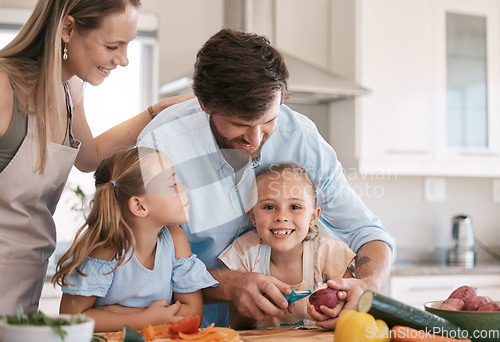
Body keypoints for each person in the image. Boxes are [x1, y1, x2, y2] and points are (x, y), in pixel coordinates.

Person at [138, 28, 392, 329]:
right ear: (205, 106)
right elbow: (142, 268)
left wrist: (370, 283)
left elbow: (366, 230)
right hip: (191, 330)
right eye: (240, 124)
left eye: (269, 120)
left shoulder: (301, 138)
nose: (256, 138)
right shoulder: (161, 148)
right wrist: (227, 284)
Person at [0, 0, 192, 316]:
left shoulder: (69, 88)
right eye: (112, 45)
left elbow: (90, 158)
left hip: (26, 276)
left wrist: (159, 111)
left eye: (128, 45)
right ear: (68, 29)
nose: (125, 59)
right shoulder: (5, 87)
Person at [52, 147, 218, 332]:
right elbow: (71, 319)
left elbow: (192, 314)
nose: (185, 189)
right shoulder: (107, 250)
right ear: (139, 206)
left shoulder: (176, 240)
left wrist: (114, 313)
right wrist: (146, 319)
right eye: (172, 185)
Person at [218, 163, 356, 329]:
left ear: (313, 217)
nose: (281, 216)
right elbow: (237, 325)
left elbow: (355, 311)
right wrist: (256, 307)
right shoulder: (243, 253)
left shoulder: (330, 254)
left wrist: (336, 315)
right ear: (253, 216)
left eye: (295, 207)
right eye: (269, 206)